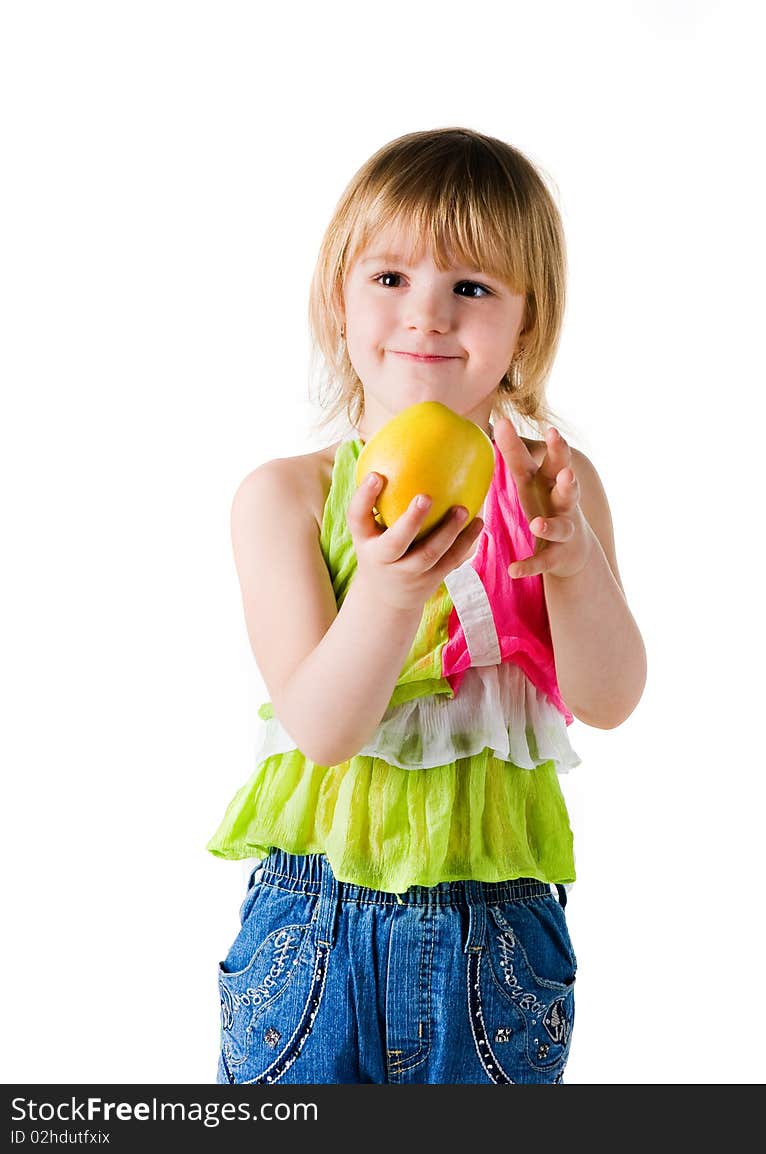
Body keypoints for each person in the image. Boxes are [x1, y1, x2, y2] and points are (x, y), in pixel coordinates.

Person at [206, 127, 647, 1085]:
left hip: (493, 938)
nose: (429, 316)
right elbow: (323, 727)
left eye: (474, 289)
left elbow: (609, 699)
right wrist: (392, 584)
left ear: (527, 326)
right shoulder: (283, 497)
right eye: (392, 279)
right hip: (311, 928)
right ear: (340, 301)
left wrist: (570, 567)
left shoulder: (549, 490)